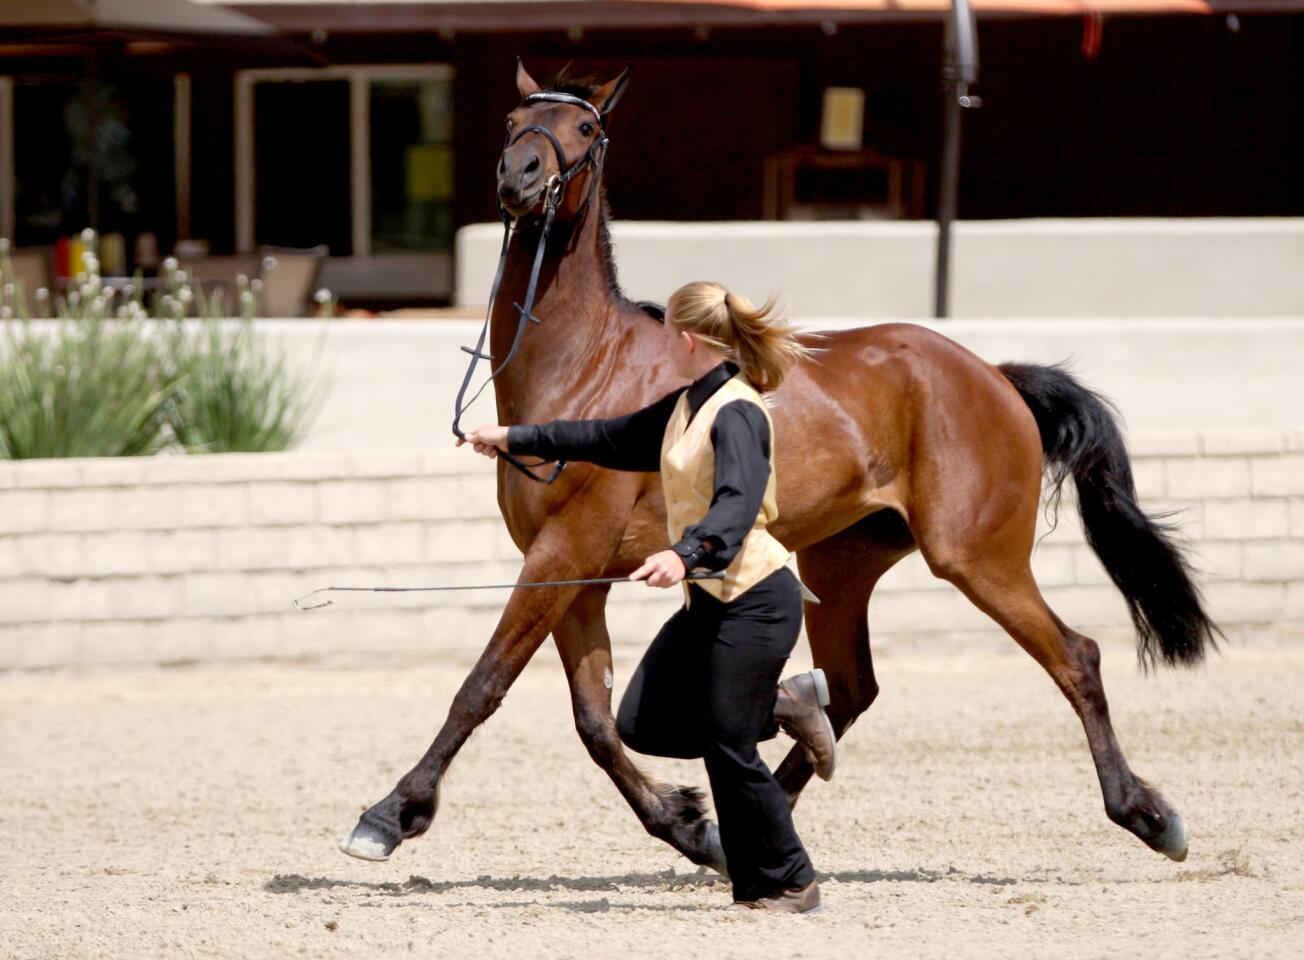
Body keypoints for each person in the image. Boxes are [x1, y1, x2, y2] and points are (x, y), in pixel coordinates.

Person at [459, 281, 835, 913]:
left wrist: (681, 554)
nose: (659, 342)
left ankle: (791, 882)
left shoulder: (739, 411)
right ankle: (782, 704)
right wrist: (515, 436)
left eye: (664, 333)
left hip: (756, 598)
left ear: (687, 339)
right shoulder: (687, 405)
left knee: (728, 743)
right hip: (711, 601)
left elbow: (738, 506)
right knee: (642, 722)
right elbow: (608, 438)